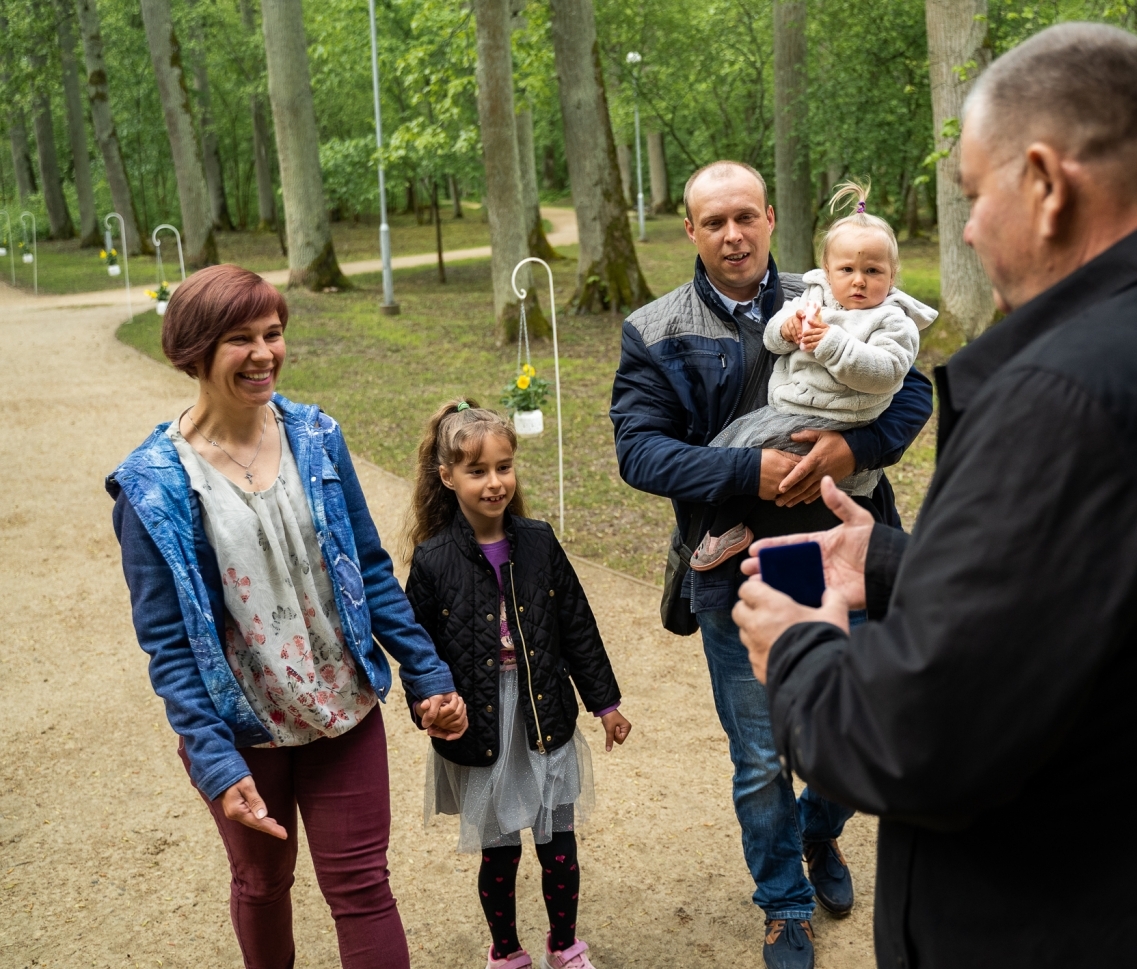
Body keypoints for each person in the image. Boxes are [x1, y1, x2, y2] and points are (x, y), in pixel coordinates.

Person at [733, 23, 1137, 969]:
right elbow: (1122, 599)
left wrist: (798, 642)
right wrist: (899, 563)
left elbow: (917, 745)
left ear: (1049, 185)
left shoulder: (1072, 394)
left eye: (975, 195)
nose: (968, 229)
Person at [610, 160, 933, 969]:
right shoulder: (655, 328)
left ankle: (821, 835)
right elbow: (638, 451)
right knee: (761, 758)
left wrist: (850, 447)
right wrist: (745, 474)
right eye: (713, 221)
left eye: (746, 216)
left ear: (770, 216)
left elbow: (916, 391)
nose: (733, 234)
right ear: (690, 229)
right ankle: (784, 901)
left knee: (864, 729)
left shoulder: (838, 287)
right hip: (740, 569)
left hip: (846, 554)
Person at [107, 264, 468, 969]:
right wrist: (212, 757)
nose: (264, 353)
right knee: (263, 882)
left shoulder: (316, 437)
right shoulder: (151, 484)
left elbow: (368, 569)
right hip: (242, 732)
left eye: (273, 333)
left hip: (344, 710)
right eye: (239, 338)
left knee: (363, 886)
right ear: (195, 350)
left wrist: (426, 672)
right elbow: (168, 644)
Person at [405, 401, 630, 969]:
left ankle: (564, 944)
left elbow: (576, 625)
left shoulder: (539, 541)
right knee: (499, 851)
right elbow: (417, 651)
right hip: (482, 723)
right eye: (477, 471)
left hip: (543, 714)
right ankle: (505, 951)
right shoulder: (433, 561)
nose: (494, 482)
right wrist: (427, 706)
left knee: (559, 845)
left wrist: (606, 703)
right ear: (447, 476)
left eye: (504, 467)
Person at [691, 179, 937, 571]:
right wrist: (785, 330)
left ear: (892, 276)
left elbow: (896, 376)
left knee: (748, 446)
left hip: (838, 416)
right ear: (827, 270)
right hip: (790, 408)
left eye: (873, 270)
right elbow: (776, 337)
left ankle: (725, 528)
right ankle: (722, 527)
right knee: (727, 447)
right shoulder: (810, 297)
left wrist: (855, 448)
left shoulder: (891, 319)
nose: (859, 280)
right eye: (847, 269)